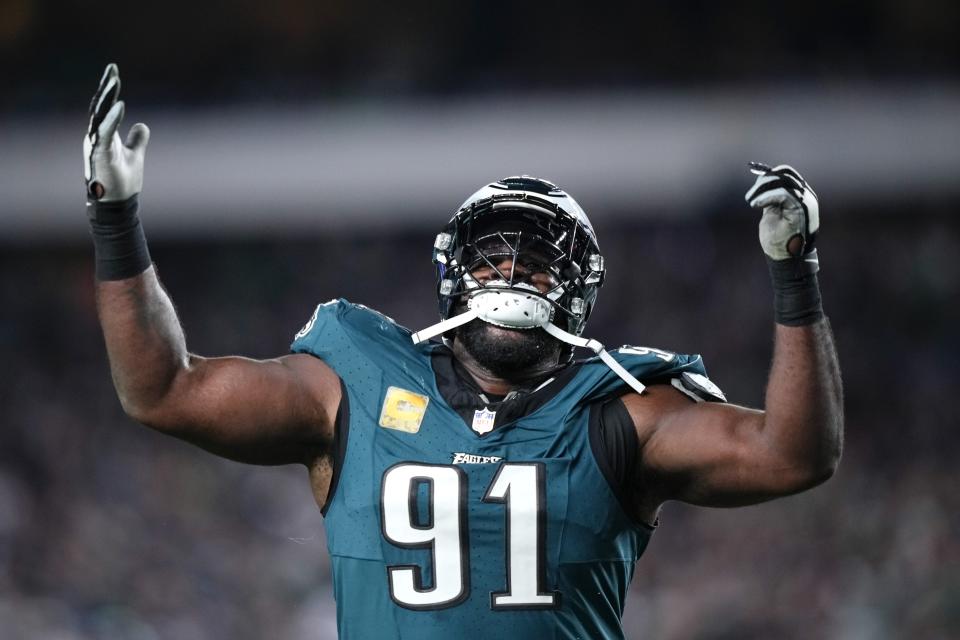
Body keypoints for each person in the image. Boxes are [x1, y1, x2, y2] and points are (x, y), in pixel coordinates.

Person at [84, 63, 843, 639]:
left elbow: (795, 454)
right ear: (452, 277)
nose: (511, 276)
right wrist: (116, 219)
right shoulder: (354, 383)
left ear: (577, 293)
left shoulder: (622, 410)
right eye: (491, 261)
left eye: (537, 264)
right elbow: (162, 391)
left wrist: (795, 277)